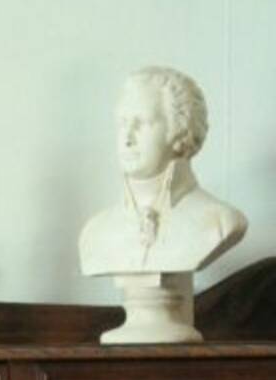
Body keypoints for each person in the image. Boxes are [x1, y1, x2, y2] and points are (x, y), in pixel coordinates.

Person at [79, 67, 246, 277]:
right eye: (122, 123)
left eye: (143, 123)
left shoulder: (221, 222)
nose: (127, 138)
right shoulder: (95, 233)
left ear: (180, 131)